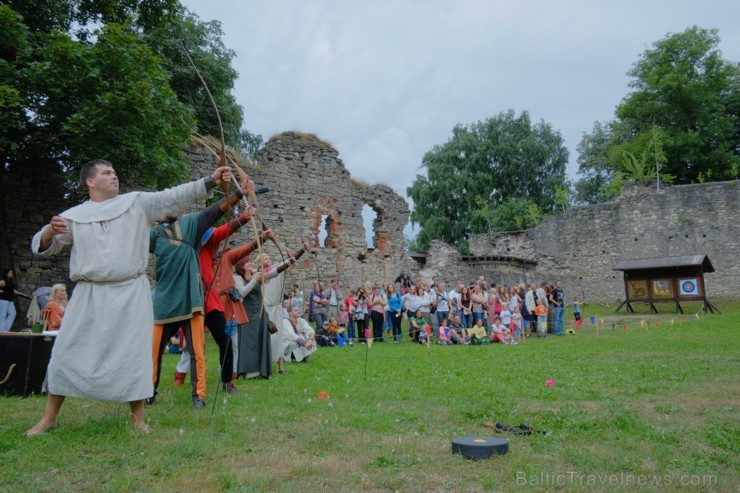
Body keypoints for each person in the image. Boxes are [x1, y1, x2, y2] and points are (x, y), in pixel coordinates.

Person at [27, 158, 232, 436]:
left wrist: (210, 181)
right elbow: (42, 246)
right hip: (89, 293)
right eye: (106, 173)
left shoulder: (136, 203)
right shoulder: (75, 216)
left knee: (135, 353)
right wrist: (50, 231)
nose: (114, 176)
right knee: (66, 350)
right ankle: (49, 418)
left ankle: (137, 418)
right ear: (90, 181)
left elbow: (172, 197)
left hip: (130, 291)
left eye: (115, 171)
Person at [149, 179, 252, 408]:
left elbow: (217, 217)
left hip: (198, 298)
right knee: (158, 349)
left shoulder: (196, 231)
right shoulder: (155, 234)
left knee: (202, 347)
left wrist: (241, 206)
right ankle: (155, 390)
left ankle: (209, 390)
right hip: (167, 299)